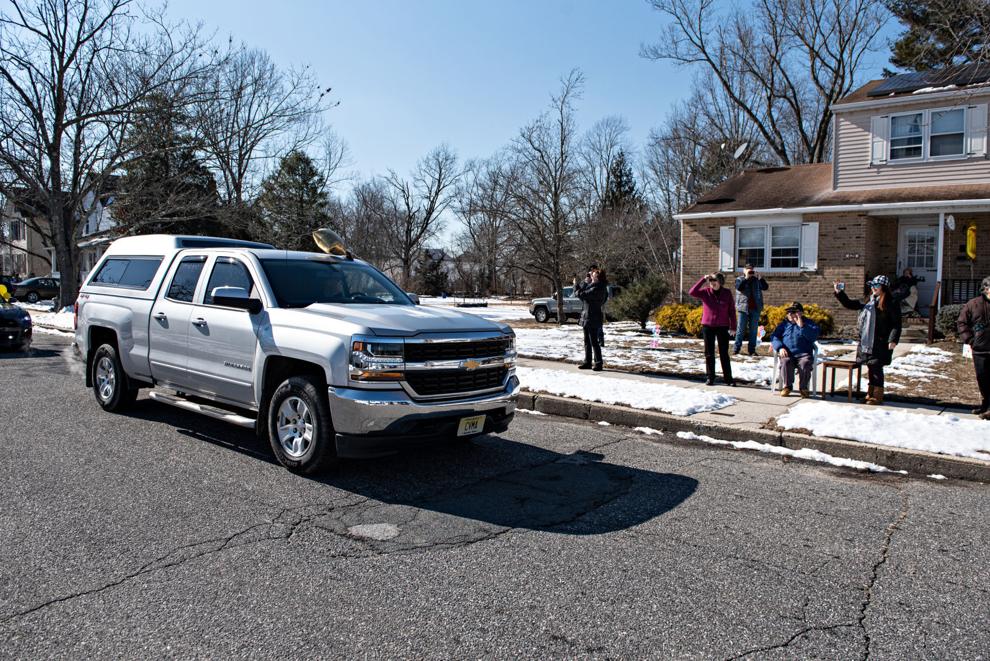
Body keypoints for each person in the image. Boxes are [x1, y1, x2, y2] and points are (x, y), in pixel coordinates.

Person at [834, 275, 901, 405]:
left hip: (881, 342)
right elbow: (850, 304)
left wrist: (893, 340)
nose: (873, 288)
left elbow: (896, 324)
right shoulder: (868, 301)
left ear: (884, 288)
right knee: (871, 367)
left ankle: (877, 396)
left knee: (876, 368)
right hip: (867, 341)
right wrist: (839, 293)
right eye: (872, 285)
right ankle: (870, 394)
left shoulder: (891, 303)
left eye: (876, 286)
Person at [689, 272, 736, 386]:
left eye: (714, 281)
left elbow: (731, 311)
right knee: (709, 353)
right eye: (711, 281)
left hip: (722, 326)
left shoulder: (727, 293)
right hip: (708, 326)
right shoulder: (706, 292)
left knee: (724, 353)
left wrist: (733, 327)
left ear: (720, 282)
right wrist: (703, 279)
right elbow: (692, 292)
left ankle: (728, 379)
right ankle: (710, 377)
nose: (712, 284)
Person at [770, 301, 820, 398]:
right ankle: (787, 387)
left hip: (804, 354)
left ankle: (803, 388)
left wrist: (802, 326)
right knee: (785, 362)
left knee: (805, 363)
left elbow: (813, 337)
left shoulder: (809, 324)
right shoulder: (783, 325)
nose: (790, 315)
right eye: (789, 312)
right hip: (788, 354)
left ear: (800, 313)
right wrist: (780, 347)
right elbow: (774, 337)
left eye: (794, 312)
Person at [957, 275, 990, 419]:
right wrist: (970, 340)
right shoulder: (973, 304)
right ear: (986, 289)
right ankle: (985, 404)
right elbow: (962, 323)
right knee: (982, 378)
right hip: (980, 349)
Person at [575, 268, 608, 371]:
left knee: (594, 341)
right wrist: (585, 283)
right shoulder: (593, 286)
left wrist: (576, 285)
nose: (591, 276)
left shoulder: (597, 288)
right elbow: (582, 297)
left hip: (592, 317)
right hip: (587, 316)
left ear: (597, 278)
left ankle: (598, 363)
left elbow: (581, 294)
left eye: (592, 275)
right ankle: (587, 362)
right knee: (587, 341)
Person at [734, 264, 769, 355]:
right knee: (740, 330)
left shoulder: (757, 280)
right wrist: (746, 277)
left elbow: (765, 287)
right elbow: (739, 287)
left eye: (751, 270)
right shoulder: (739, 279)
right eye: (748, 270)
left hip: (755, 308)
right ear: (744, 271)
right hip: (743, 308)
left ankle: (752, 350)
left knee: (753, 331)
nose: (750, 271)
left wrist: (760, 278)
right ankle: (736, 349)